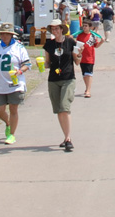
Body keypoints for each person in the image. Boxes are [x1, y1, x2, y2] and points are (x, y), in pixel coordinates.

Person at [0, 23, 30, 145]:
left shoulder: (19, 48)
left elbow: (27, 64)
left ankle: (12, 134)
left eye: (6, 34)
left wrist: (19, 71)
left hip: (15, 84)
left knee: (13, 109)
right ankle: (8, 123)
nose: (4, 36)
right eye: (2, 33)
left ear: (12, 35)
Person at [42, 20, 79, 152]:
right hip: (53, 79)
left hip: (68, 78)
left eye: (57, 28)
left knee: (64, 107)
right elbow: (47, 63)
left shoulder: (70, 42)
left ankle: (68, 139)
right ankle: (65, 137)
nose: (55, 31)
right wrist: (41, 65)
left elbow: (77, 61)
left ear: (62, 29)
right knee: (58, 110)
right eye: (53, 29)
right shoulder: (49, 45)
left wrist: (79, 55)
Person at [75, 18, 105, 98]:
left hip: (90, 58)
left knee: (89, 74)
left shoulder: (92, 36)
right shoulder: (79, 35)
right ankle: (87, 88)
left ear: (90, 27)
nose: (84, 27)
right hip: (81, 58)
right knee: (84, 75)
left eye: (86, 26)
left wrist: (102, 41)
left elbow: (96, 46)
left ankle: (88, 90)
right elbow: (76, 45)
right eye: (83, 26)